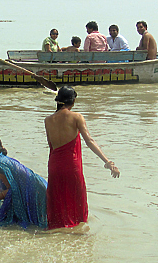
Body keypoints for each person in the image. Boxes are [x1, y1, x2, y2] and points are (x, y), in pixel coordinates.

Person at [44, 86, 120, 230]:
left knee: (58, 200)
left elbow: (51, 146)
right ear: (72, 102)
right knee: (76, 201)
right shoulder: (77, 117)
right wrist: (107, 161)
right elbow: (89, 141)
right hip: (71, 165)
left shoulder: (48, 120)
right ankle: (78, 233)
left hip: (54, 165)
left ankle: (56, 230)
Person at [0, 133, 48, 229]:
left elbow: (12, 191)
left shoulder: (0, 164)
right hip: (39, 187)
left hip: (37, 192)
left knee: (38, 227)